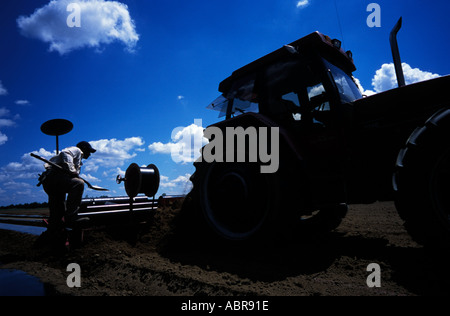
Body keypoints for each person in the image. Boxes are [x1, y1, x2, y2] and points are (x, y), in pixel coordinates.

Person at [35, 141, 96, 249]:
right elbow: (65, 153)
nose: (89, 155)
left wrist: (72, 171)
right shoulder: (77, 150)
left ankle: (49, 243)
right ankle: (72, 217)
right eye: (89, 152)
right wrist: (72, 170)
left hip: (51, 183)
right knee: (78, 183)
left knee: (57, 214)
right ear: (84, 149)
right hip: (54, 178)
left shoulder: (78, 161)